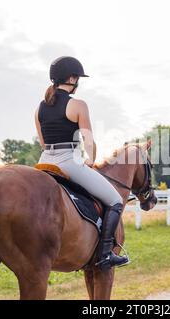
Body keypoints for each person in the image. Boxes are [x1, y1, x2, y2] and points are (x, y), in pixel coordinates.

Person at [35, 56, 129, 271]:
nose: (78, 82)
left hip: (44, 163)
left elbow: (43, 142)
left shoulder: (39, 108)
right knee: (115, 200)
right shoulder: (77, 104)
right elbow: (88, 140)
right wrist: (91, 160)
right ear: (71, 78)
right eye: (77, 78)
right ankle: (105, 254)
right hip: (68, 161)